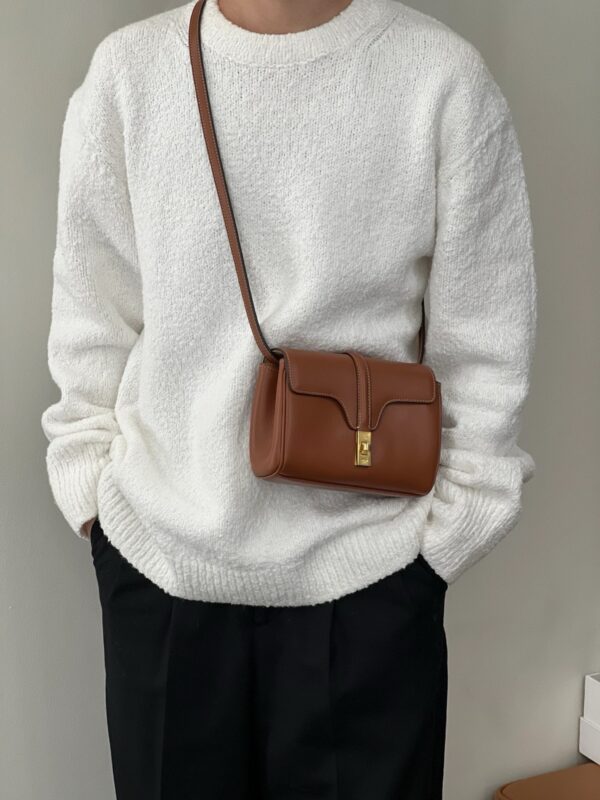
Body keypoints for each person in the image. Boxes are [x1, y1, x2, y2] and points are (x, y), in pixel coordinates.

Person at [40, 0, 537, 797]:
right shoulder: (129, 75)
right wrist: (94, 502)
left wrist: (442, 545)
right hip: (160, 567)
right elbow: (91, 318)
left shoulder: (442, 80)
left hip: (372, 584)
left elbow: (486, 344)